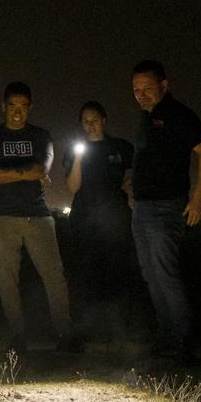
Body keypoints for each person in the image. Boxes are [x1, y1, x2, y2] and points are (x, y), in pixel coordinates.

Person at [0, 81, 82, 353]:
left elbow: (42, 168)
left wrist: (9, 172)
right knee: (7, 278)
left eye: (23, 107)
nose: (17, 112)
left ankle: (65, 333)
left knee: (54, 276)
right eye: (12, 106)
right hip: (2, 217)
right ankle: (18, 336)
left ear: (30, 108)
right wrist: (28, 171)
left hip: (38, 215)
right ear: (3, 107)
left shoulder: (41, 136)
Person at [130, 60, 201, 358]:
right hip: (142, 208)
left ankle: (183, 341)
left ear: (165, 86)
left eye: (148, 88)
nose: (141, 95)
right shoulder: (146, 118)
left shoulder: (179, 115)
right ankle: (167, 336)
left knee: (165, 273)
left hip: (166, 207)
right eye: (136, 90)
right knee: (150, 274)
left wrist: (199, 197)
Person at [62, 102, 136, 342]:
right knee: (85, 275)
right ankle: (83, 331)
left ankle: (119, 330)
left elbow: (130, 178)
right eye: (85, 121)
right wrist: (77, 159)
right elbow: (73, 186)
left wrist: (131, 196)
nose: (90, 125)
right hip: (84, 221)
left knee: (116, 274)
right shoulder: (75, 151)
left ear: (104, 120)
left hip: (115, 221)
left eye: (94, 120)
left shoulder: (121, 147)